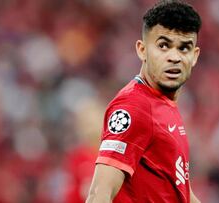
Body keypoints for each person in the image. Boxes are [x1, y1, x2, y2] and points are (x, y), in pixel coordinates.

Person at [86, 0, 202, 202]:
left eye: (184, 48)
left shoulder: (163, 105)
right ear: (142, 50)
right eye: (164, 46)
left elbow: (181, 193)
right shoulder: (134, 107)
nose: (174, 57)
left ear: (194, 56)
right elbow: (99, 194)